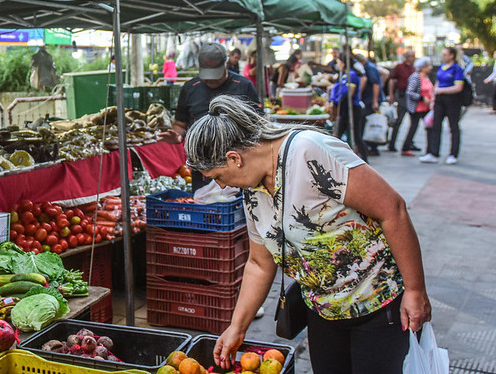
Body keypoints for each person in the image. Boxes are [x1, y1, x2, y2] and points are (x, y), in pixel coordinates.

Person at [184, 95, 431, 374]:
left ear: (234, 158)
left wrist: (415, 290)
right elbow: (259, 263)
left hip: (377, 305)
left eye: (218, 176)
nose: (221, 185)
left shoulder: (308, 152)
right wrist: (236, 327)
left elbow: (393, 210)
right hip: (321, 311)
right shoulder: (252, 192)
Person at [158, 42, 260, 192]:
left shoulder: (243, 86)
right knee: (205, 207)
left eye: (215, 74)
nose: (211, 80)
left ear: (226, 64)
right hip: (202, 165)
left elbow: (258, 125)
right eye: (207, 74)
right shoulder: (190, 88)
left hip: (239, 163)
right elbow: (180, 124)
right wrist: (177, 135)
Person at [421, 46, 465, 164]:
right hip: (440, 100)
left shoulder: (457, 69)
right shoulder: (442, 67)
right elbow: (438, 83)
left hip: (452, 100)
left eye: (445, 54)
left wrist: (442, 91)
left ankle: (453, 154)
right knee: (436, 126)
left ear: (452, 56)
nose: (443, 56)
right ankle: (433, 153)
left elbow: (458, 87)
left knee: (453, 127)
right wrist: (434, 97)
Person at [327, 54, 367, 162]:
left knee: (356, 137)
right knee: (338, 135)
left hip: (353, 108)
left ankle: (364, 160)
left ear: (343, 63)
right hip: (344, 109)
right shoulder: (344, 75)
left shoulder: (352, 75)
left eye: (338, 62)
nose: (337, 65)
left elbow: (350, 93)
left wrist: (337, 100)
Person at [402, 57, 434, 156]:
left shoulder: (426, 77)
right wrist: (421, 98)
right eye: (428, 66)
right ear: (422, 67)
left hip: (427, 108)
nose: (430, 68)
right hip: (416, 108)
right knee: (413, 127)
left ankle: (430, 150)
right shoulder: (416, 77)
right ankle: (406, 147)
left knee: (430, 128)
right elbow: (409, 92)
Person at [387, 50, 416, 152]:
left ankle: (409, 143)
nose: (413, 59)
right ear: (407, 57)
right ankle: (392, 143)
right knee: (398, 120)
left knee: (414, 122)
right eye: (411, 57)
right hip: (401, 95)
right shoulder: (399, 67)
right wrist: (391, 94)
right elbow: (392, 80)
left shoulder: (414, 69)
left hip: (411, 97)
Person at [356, 53, 383, 157]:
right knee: (367, 122)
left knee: (367, 122)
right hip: (369, 99)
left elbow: (376, 84)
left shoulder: (369, 68)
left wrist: (375, 101)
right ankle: (370, 146)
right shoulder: (368, 67)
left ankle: (370, 146)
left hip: (370, 100)